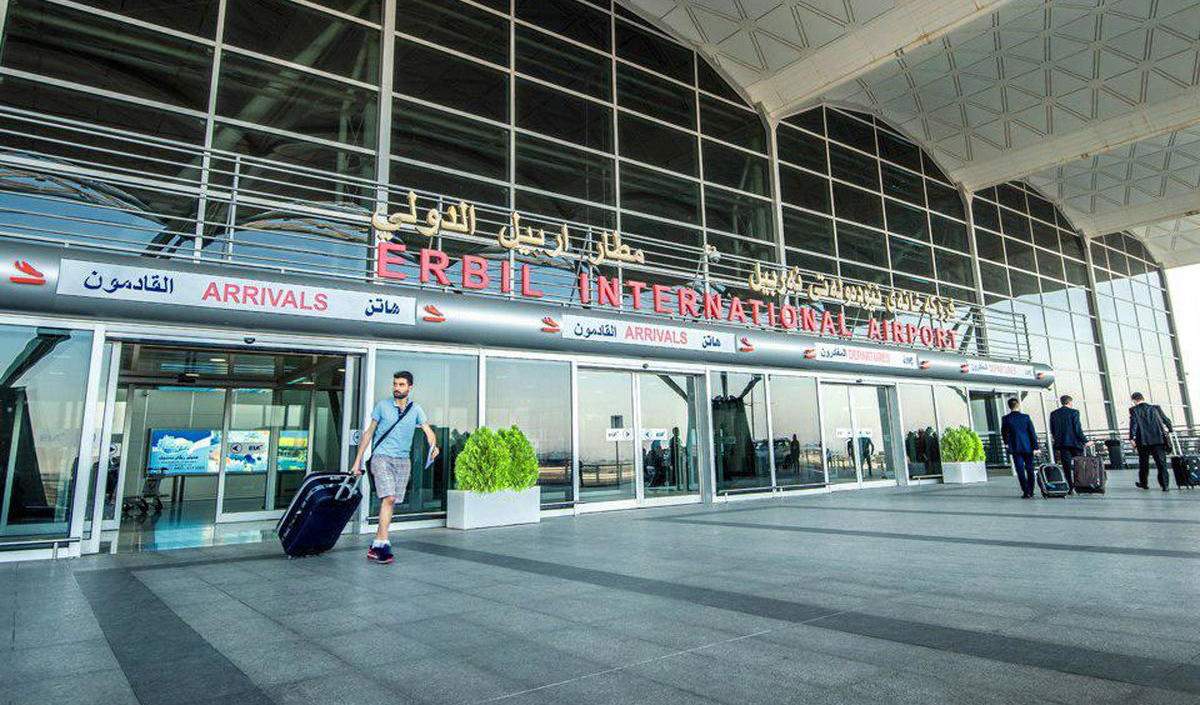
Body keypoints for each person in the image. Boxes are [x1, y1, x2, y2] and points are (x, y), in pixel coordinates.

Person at [350, 371, 438, 564]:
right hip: (381, 457)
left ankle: (376, 545)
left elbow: (428, 431)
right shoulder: (382, 406)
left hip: (403, 461)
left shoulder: (416, 409)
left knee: (390, 502)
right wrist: (357, 462)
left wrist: (434, 446)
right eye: (395, 384)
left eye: (401, 385)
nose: (397, 388)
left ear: (410, 388)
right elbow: (369, 433)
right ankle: (384, 545)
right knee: (388, 497)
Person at [1128, 392, 1173, 492]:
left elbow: (1134, 424)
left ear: (1134, 400)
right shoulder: (1156, 408)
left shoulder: (1134, 410)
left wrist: (1132, 438)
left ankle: (1144, 483)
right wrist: (1170, 430)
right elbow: (1166, 420)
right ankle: (1165, 485)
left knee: (1143, 463)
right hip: (1158, 440)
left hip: (1143, 441)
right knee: (1161, 463)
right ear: (1143, 398)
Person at [1001, 397, 1040, 498]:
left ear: (1009, 406)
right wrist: (1036, 447)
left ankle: (1026, 491)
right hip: (1028, 447)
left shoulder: (1006, 418)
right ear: (1018, 405)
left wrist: (1006, 443)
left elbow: (1004, 433)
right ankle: (1031, 490)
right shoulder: (1025, 417)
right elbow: (1032, 433)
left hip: (1015, 448)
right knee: (1030, 469)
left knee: (1020, 470)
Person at [1049, 395, 1088, 493]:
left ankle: (1070, 487)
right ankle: (1080, 485)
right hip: (1075, 443)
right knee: (1079, 464)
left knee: (1066, 466)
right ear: (1070, 402)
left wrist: (1057, 439)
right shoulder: (1074, 412)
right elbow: (1077, 429)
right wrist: (1085, 441)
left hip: (1062, 444)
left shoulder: (1054, 413)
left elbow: (1053, 430)